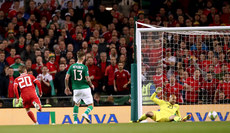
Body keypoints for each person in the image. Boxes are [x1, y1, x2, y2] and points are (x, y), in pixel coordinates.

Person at [65, 50, 95, 124]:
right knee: (91, 105)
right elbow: (87, 78)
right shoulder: (84, 67)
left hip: (76, 89)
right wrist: (91, 85)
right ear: (83, 58)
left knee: (76, 104)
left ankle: (75, 121)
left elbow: (66, 78)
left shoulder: (72, 66)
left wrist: (67, 87)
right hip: (85, 88)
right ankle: (85, 113)